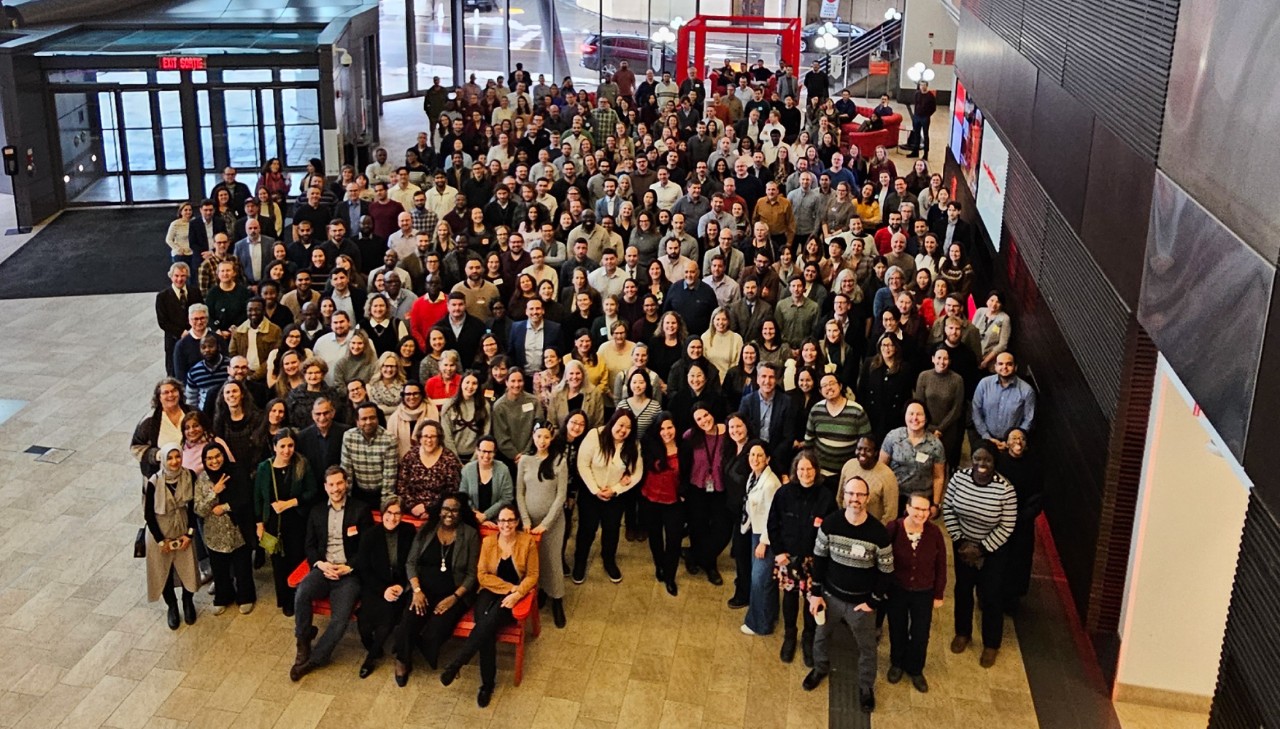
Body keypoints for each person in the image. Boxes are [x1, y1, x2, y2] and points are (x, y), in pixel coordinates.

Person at [802, 475, 894, 716]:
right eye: (850, 494)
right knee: (820, 636)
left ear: (867, 498)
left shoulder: (878, 533)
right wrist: (815, 594)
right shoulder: (830, 524)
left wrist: (873, 601)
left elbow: (886, 571)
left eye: (860, 494)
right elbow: (819, 560)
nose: (855, 499)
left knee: (867, 648)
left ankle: (865, 687)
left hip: (860, 604)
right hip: (830, 597)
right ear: (843, 496)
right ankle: (819, 668)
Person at [439, 504, 539, 709]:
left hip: (514, 598)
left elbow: (533, 575)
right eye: (502, 520)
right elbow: (483, 576)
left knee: (488, 624)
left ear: (517, 522)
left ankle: (473, 674)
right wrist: (511, 588)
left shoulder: (527, 542)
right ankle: (484, 682)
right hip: (490, 591)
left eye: (510, 520)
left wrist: (518, 593)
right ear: (497, 523)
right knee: (485, 627)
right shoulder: (488, 542)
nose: (506, 525)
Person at [289, 465, 374, 681]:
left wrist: (350, 566)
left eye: (339, 483)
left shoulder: (360, 510)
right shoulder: (317, 511)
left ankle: (315, 659)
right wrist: (319, 563)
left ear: (346, 483)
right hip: (324, 568)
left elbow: (367, 547)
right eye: (331, 484)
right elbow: (309, 546)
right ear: (325, 487)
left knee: (340, 619)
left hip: (349, 573)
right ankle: (303, 641)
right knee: (301, 593)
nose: (336, 488)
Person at [942, 441, 1017, 667]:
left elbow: (1007, 525)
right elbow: (948, 508)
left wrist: (982, 549)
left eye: (987, 460)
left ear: (994, 462)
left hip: (992, 551)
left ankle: (991, 644)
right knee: (963, 590)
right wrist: (962, 542)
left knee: (991, 596)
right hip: (963, 547)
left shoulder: (1005, 489)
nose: (981, 463)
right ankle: (962, 633)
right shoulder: (959, 478)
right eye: (977, 459)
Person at [394, 493, 481, 685]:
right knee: (408, 623)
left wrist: (455, 598)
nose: (449, 513)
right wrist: (416, 591)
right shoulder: (427, 529)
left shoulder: (470, 535)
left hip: (453, 593)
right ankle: (402, 661)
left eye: (455, 509)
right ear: (439, 510)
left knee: (435, 632)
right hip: (422, 590)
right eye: (446, 508)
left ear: (461, 512)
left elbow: (471, 575)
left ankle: (417, 646)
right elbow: (411, 563)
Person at [768, 450, 831, 666]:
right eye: (801, 468)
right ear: (796, 470)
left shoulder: (825, 496)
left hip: (814, 561)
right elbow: (773, 524)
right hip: (787, 558)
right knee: (790, 598)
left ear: (816, 470)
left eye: (809, 468)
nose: (805, 473)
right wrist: (778, 552)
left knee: (811, 601)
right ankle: (790, 635)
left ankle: (808, 638)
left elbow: (830, 530)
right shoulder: (783, 493)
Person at [884, 493, 947, 692]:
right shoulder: (894, 528)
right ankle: (897, 663)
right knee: (897, 628)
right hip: (897, 590)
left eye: (925, 510)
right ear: (908, 508)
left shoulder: (935, 533)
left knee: (920, 633)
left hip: (924, 592)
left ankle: (916, 668)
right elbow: (883, 560)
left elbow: (941, 565)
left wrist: (938, 593)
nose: (921, 514)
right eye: (917, 509)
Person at [574, 409, 643, 583]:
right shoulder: (594, 435)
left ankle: (609, 560)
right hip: (591, 493)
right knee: (586, 530)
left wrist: (616, 489)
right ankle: (580, 562)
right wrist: (595, 489)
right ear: (613, 422)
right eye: (620, 425)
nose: (623, 430)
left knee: (612, 531)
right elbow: (583, 464)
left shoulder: (633, 445)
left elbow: (637, 474)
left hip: (615, 497)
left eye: (628, 427)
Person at [254, 429, 319, 616]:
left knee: (296, 560)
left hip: (297, 522)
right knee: (278, 563)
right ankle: (285, 600)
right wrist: (259, 523)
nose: (286, 450)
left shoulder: (302, 464)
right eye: (282, 446)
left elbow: (312, 491)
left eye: (290, 445)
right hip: (274, 524)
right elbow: (258, 497)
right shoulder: (264, 468)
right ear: (274, 447)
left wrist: (290, 503)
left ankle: (299, 597)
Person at [353, 496, 416, 678]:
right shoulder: (370, 535)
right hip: (375, 586)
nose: (393, 518)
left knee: (386, 622)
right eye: (389, 513)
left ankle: (370, 658)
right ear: (382, 513)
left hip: (398, 586)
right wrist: (383, 590)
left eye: (397, 513)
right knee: (364, 625)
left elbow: (412, 563)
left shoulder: (408, 531)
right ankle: (372, 646)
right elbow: (363, 569)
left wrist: (401, 586)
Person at [515, 420, 569, 627]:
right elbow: (520, 492)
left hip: (552, 523)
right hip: (530, 523)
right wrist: (526, 520)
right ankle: (543, 592)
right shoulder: (525, 461)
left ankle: (557, 599)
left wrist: (545, 524)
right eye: (539, 436)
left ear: (552, 438)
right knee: (535, 561)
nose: (542, 441)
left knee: (552, 559)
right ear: (533, 436)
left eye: (547, 437)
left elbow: (561, 496)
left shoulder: (559, 461)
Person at [194, 442, 256, 614]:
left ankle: (245, 597)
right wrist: (215, 491)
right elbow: (199, 509)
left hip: (237, 530)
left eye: (218, 456)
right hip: (214, 533)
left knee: (242, 567)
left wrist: (226, 507)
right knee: (220, 569)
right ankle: (223, 597)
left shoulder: (236, 471)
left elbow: (245, 497)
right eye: (210, 458)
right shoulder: (202, 479)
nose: (215, 461)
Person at [144, 443, 201, 630]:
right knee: (164, 572)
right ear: (163, 460)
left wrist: (190, 534)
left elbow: (193, 508)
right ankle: (172, 607)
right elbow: (149, 515)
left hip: (183, 529)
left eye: (177, 457)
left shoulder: (189, 476)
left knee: (188, 569)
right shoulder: (154, 482)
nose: (174, 461)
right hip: (160, 531)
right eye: (170, 458)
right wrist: (161, 540)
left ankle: (187, 602)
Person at [996, 428, 1042, 610]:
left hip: (1022, 522)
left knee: (1019, 561)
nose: (1018, 441)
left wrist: (1022, 516)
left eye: (1022, 438)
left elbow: (1038, 496)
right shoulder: (999, 463)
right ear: (1006, 442)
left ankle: (1013, 598)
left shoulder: (1034, 465)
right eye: (1014, 438)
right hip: (999, 520)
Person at [740, 439, 782, 636]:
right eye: (752, 455)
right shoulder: (754, 476)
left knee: (760, 580)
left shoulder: (771, 483)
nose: (755, 459)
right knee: (765, 579)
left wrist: (763, 543)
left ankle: (759, 624)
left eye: (759, 455)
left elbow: (774, 517)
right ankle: (770, 616)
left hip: (766, 537)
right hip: (756, 531)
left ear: (768, 459)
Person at [879, 400, 946, 516]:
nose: (915, 418)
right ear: (905, 416)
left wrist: (935, 504)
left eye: (919, 414)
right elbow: (881, 468)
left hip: (922, 498)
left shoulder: (935, 445)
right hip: (894, 495)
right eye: (911, 413)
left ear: (926, 418)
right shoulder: (893, 437)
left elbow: (938, 477)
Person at [804, 372, 871, 486]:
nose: (828, 387)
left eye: (832, 383)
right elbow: (809, 441)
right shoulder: (816, 410)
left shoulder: (856, 410)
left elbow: (867, 443)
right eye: (824, 386)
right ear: (820, 391)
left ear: (840, 386)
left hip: (848, 474)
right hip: (821, 473)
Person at [397, 419, 462, 519]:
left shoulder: (449, 459)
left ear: (439, 438)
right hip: (412, 511)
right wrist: (412, 506)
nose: (429, 440)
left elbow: (452, 491)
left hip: (439, 512)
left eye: (433, 436)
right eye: (425, 436)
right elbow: (402, 486)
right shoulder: (411, 456)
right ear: (420, 438)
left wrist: (430, 509)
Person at [971, 352, 1036, 450]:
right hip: (985, 440)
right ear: (995, 366)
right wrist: (986, 437)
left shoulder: (1027, 391)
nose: (1004, 367)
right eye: (1000, 364)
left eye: (1009, 364)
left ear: (1015, 367)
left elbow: (1028, 419)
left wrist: (1013, 440)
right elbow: (976, 411)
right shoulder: (984, 384)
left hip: (1012, 446)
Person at [340, 402, 398, 506]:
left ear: (378, 419)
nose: (368, 422)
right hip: (358, 491)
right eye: (364, 419)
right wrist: (346, 500)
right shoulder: (349, 436)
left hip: (381, 491)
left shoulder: (389, 439)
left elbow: (389, 476)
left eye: (372, 418)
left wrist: (385, 504)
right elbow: (346, 470)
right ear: (357, 421)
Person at [838, 435, 900, 525]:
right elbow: (840, 497)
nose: (862, 453)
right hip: (846, 523)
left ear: (875, 452)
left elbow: (891, 514)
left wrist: (876, 531)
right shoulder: (848, 465)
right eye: (859, 449)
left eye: (868, 450)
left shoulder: (888, 476)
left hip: (871, 529)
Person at [492, 369, 543, 468]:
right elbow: (501, 437)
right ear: (506, 382)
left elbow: (539, 428)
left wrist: (526, 453)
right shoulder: (499, 406)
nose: (516, 385)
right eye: (513, 381)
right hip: (508, 459)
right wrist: (515, 455)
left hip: (532, 454)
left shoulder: (534, 401)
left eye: (519, 381)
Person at [459, 435, 513, 525]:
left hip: (497, 522)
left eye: (490, 452)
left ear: (495, 453)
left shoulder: (503, 469)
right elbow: (463, 496)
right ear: (477, 451)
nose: (486, 455)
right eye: (483, 451)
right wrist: (476, 515)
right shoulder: (467, 470)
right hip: (471, 520)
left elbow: (507, 498)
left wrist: (485, 516)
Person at [440, 370, 491, 462]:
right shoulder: (449, 406)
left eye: (474, 383)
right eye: (467, 382)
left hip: (477, 457)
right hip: (453, 456)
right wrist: (456, 460)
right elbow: (447, 435)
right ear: (461, 384)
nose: (470, 386)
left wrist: (474, 460)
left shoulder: (484, 405)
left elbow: (485, 433)